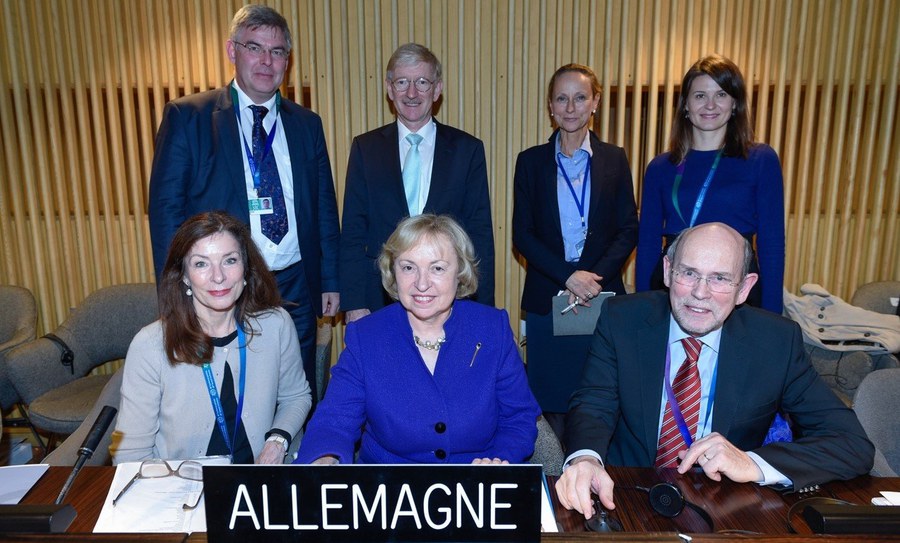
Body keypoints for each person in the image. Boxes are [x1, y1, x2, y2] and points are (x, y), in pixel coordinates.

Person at [556, 222, 874, 518]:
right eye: (689, 273)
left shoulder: (776, 342)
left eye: (720, 278)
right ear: (667, 271)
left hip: (727, 504)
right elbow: (594, 403)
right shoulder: (622, 318)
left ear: (744, 288)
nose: (700, 292)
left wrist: (752, 463)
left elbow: (852, 443)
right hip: (627, 493)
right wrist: (585, 458)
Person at [148, 5, 340, 404]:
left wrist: (331, 279)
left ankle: (291, 445)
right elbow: (166, 211)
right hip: (223, 285)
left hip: (296, 284)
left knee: (297, 392)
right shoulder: (189, 117)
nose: (267, 60)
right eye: (255, 48)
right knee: (233, 394)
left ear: (287, 60)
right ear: (232, 51)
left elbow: (323, 205)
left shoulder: (307, 124)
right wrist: (178, 289)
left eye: (277, 51)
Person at [295, 214, 540, 464]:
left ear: (460, 273)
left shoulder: (492, 329)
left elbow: (518, 417)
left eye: (437, 268)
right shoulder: (366, 336)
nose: (422, 284)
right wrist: (324, 459)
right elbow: (334, 420)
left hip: (474, 479)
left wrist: (499, 460)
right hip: (389, 482)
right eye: (408, 267)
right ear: (393, 271)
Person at [113, 212, 311, 464]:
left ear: (246, 268)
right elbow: (130, 455)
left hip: (254, 480)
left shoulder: (276, 325)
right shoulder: (150, 346)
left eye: (230, 260)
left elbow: (296, 397)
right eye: (201, 264)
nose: (218, 276)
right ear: (184, 275)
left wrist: (278, 440)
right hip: (181, 484)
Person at [512, 63, 638, 440]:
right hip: (548, 297)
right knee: (550, 405)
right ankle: (554, 475)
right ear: (550, 106)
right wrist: (569, 276)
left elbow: (628, 228)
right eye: (562, 99)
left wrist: (591, 279)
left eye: (580, 97)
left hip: (601, 298)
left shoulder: (614, 158)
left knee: (599, 398)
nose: (570, 108)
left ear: (595, 102)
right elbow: (522, 235)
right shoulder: (530, 161)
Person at [340, 43, 494, 324]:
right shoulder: (365, 148)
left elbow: (480, 232)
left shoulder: (467, 150)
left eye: (422, 82)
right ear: (389, 89)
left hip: (448, 299)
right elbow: (353, 231)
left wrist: (481, 310)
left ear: (437, 90)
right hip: (378, 299)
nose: (411, 93)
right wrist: (355, 303)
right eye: (402, 82)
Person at [636, 54, 784, 314]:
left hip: (734, 286)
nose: (710, 105)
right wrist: (641, 307)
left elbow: (771, 244)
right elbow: (648, 244)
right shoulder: (660, 167)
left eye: (721, 94)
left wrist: (772, 315)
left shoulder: (760, 159)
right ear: (686, 104)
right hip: (675, 284)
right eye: (700, 95)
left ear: (735, 103)